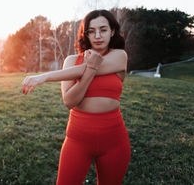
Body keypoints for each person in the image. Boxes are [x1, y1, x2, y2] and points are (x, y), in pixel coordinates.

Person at [22, 10, 130, 185]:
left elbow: (83, 69)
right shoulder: (71, 61)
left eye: (103, 30)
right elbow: (70, 101)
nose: (97, 36)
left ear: (112, 32)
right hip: (78, 139)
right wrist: (91, 71)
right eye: (91, 31)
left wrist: (45, 76)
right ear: (85, 34)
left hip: (114, 139)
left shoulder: (119, 56)